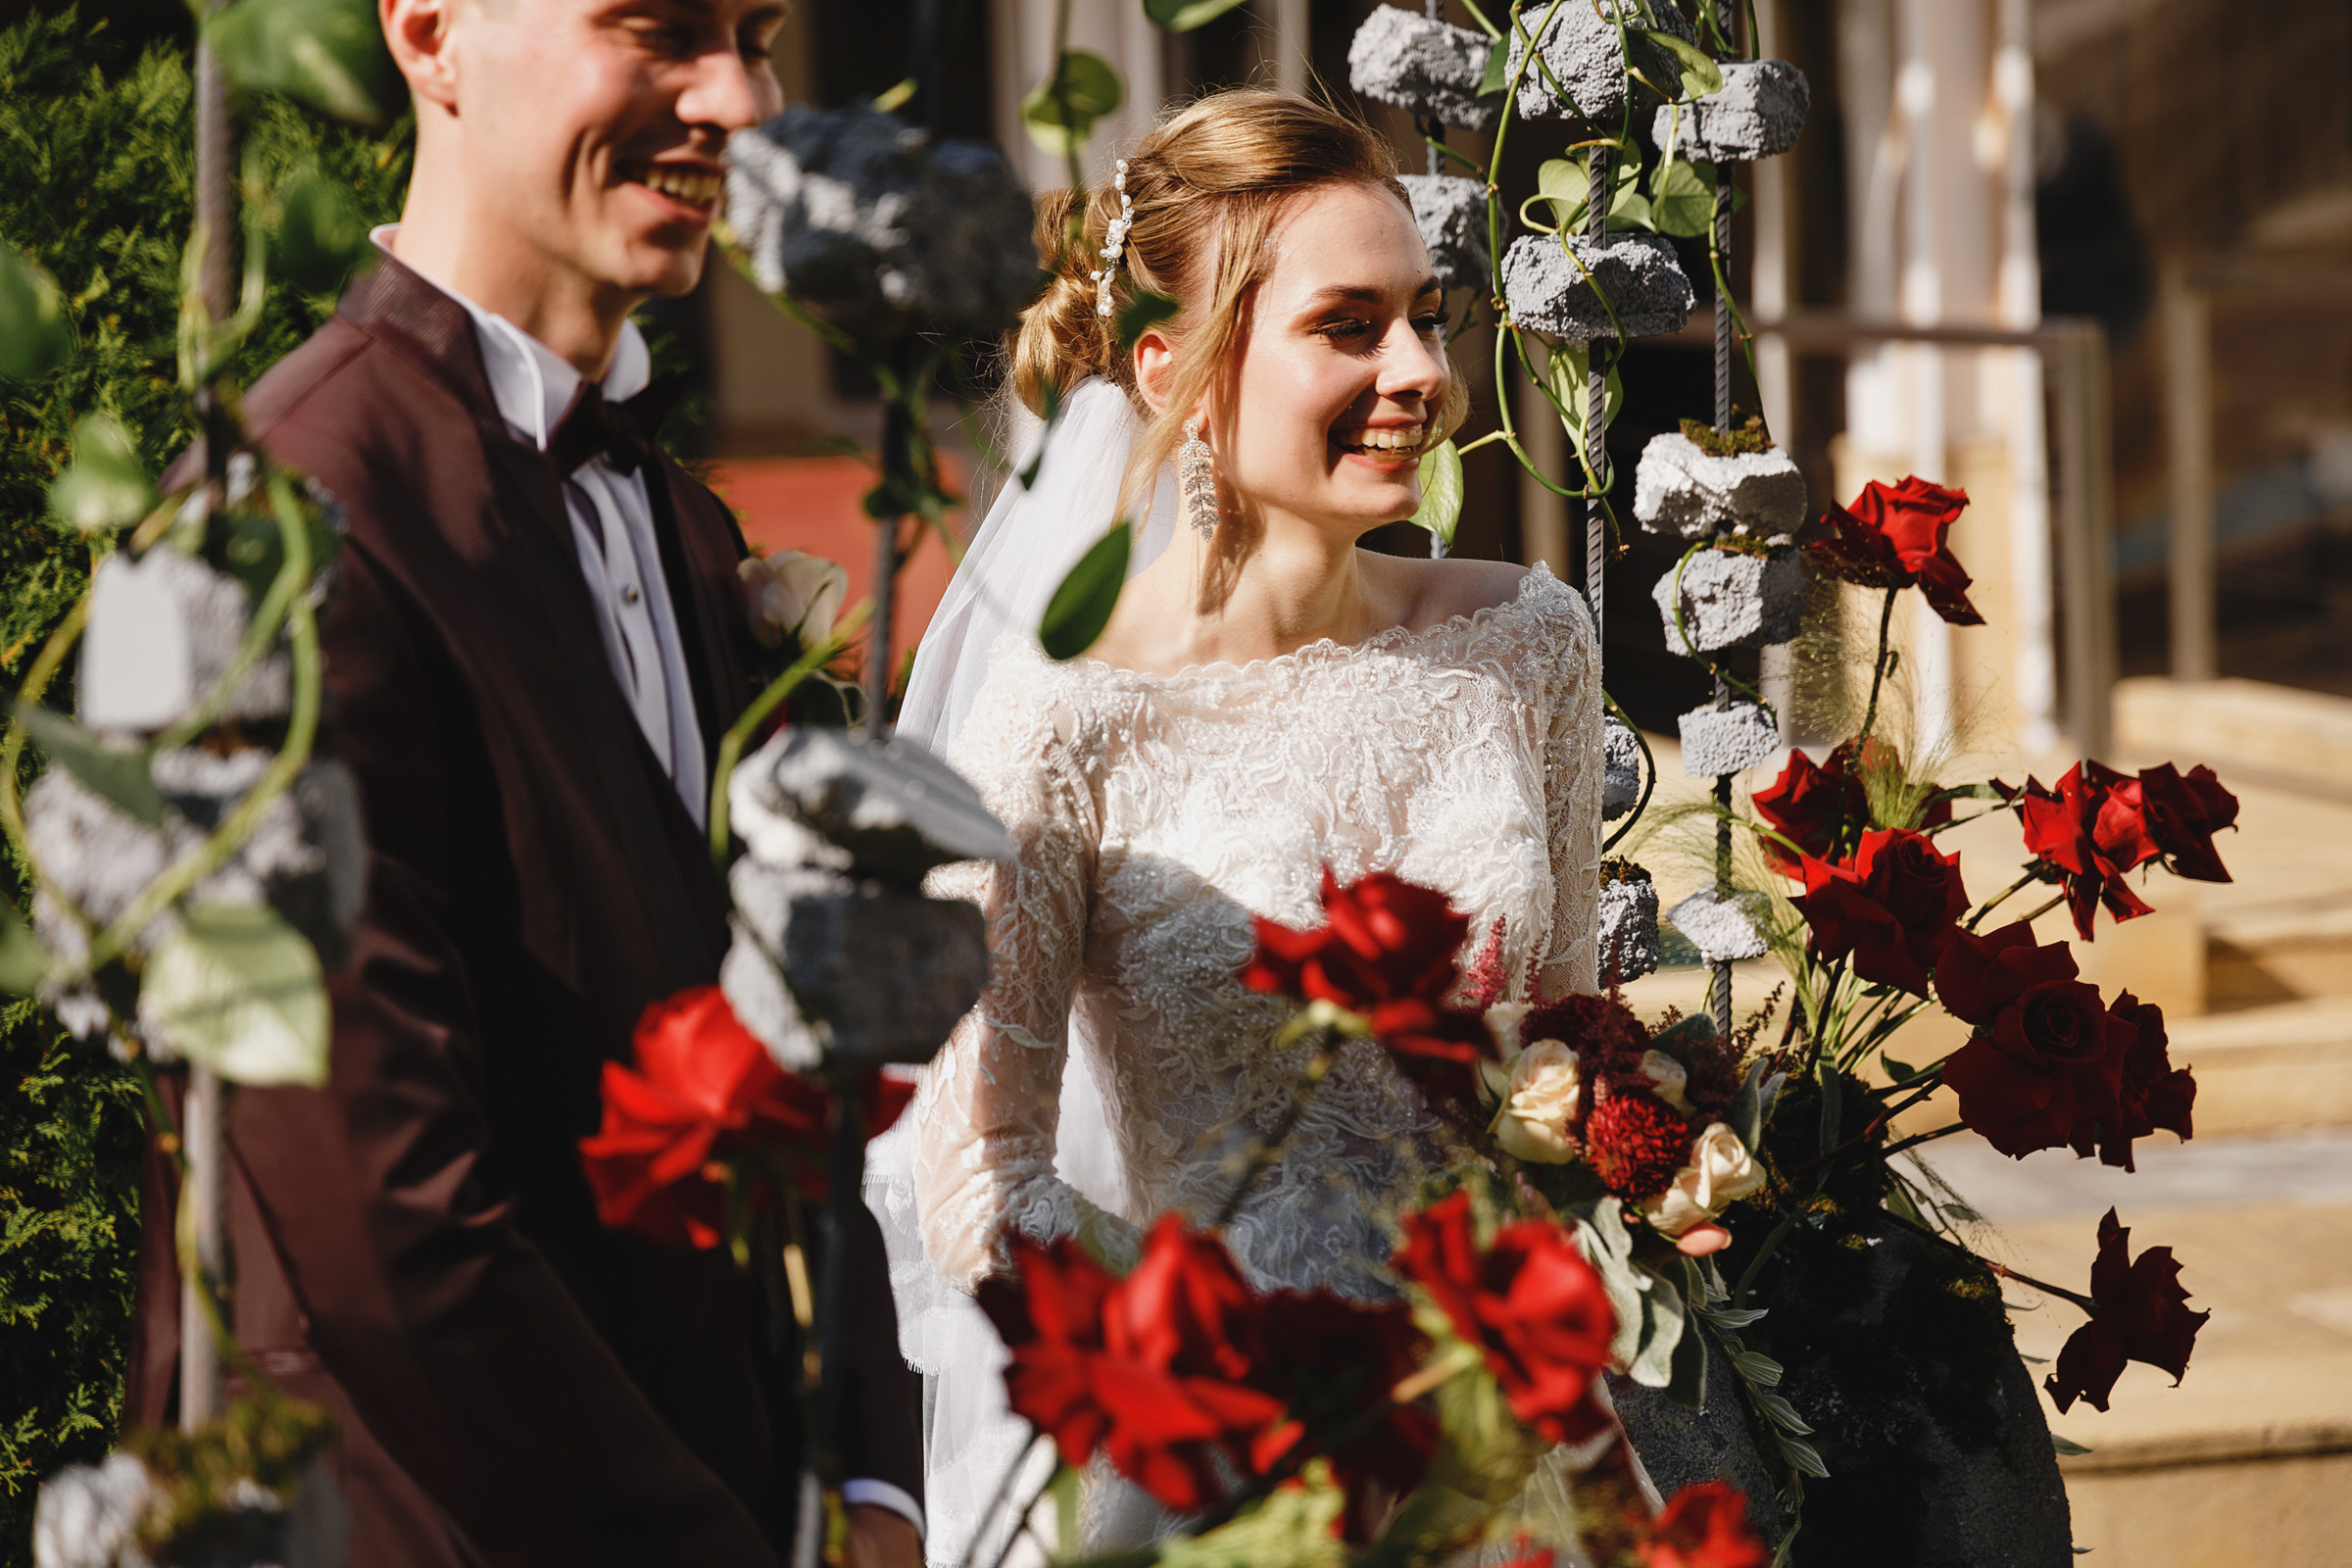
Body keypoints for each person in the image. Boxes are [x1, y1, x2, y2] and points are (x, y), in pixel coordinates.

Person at [125, 0, 924, 1562]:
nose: (743, 103)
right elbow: (373, 1210)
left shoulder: (688, 531)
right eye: (663, 29)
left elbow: (794, 1077)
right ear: (429, 32)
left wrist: (874, 1476)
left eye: (758, 36)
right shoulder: (257, 533)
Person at [881, 91, 1603, 1558]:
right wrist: (1266, 1395)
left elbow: (1573, 1048)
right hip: (1222, 1484)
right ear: (1172, 372)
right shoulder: (1061, 722)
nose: (1419, 372)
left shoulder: (1529, 639)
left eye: (1426, 316)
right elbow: (975, 1185)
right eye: (1349, 325)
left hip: (1511, 1456)